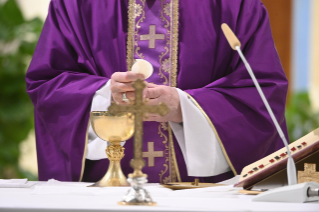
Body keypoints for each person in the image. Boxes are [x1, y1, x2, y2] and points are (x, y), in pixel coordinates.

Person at [26, 0, 288, 183]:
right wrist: (107, 96)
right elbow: (48, 83)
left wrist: (185, 107)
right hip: (104, 194)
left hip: (202, 195)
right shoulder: (76, 4)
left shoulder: (235, 5)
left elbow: (261, 92)